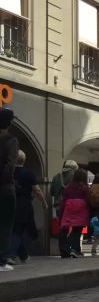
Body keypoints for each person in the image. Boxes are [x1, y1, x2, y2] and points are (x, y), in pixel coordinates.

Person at [8, 150, 46, 264]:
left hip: (9, 202)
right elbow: (37, 190)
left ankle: (23, 255)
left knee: (13, 229)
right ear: (24, 161)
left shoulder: (8, 172)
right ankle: (10, 255)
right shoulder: (29, 173)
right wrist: (44, 202)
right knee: (18, 230)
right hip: (24, 204)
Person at [58, 168, 91, 258]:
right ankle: (75, 250)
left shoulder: (68, 188)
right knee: (77, 231)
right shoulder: (84, 188)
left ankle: (66, 249)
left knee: (65, 230)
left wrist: (61, 215)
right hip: (81, 211)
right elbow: (88, 200)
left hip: (69, 211)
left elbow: (63, 202)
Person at [0, 109, 18, 271]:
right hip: (5, 188)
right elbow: (10, 164)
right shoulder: (10, 140)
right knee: (5, 224)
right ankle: (1, 261)